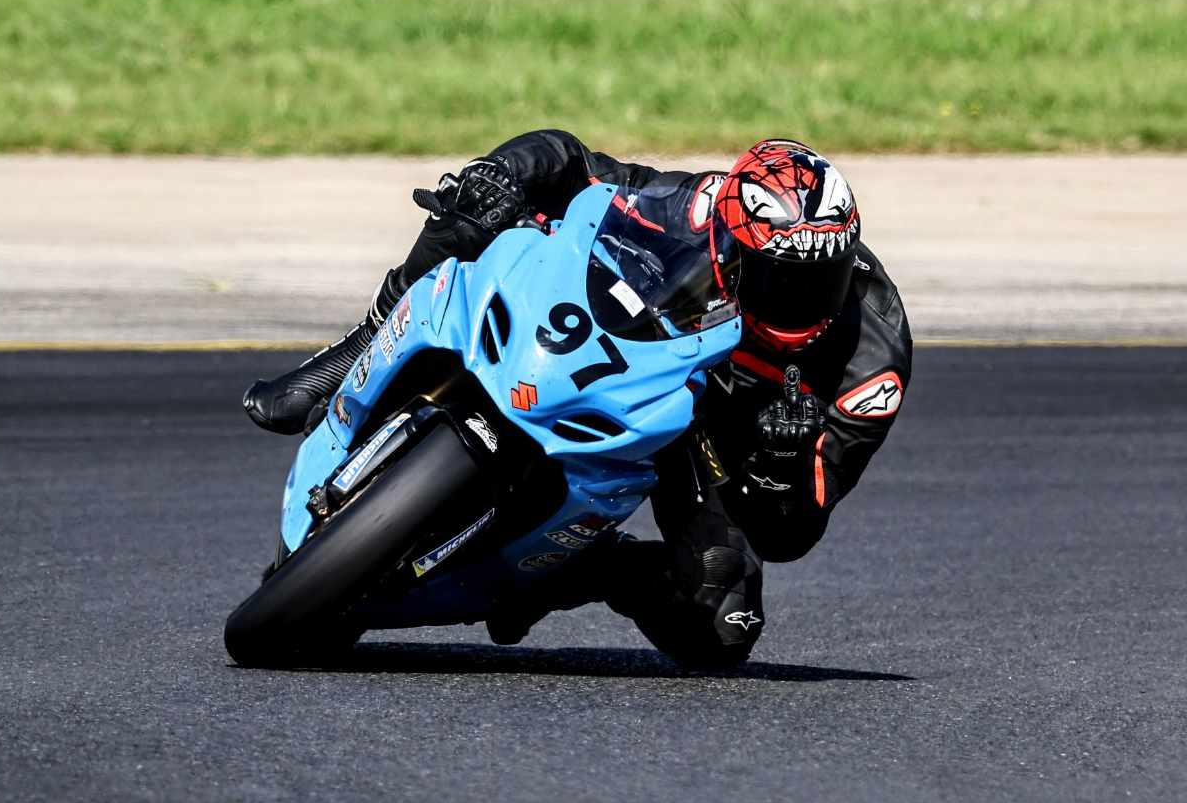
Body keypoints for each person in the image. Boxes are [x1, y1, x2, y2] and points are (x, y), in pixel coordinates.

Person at [242, 131, 912, 669]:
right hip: (636, 354)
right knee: (482, 205)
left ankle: (588, 568)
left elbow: (789, 535)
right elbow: (572, 161)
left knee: (722, 621)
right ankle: (354, 350)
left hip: (712, 440)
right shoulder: (704, 207)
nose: (796, 302)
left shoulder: (871, 364)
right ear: (730, 243)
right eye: (775, 278)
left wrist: (779, 463)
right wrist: (503, 174)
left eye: (818, 282)